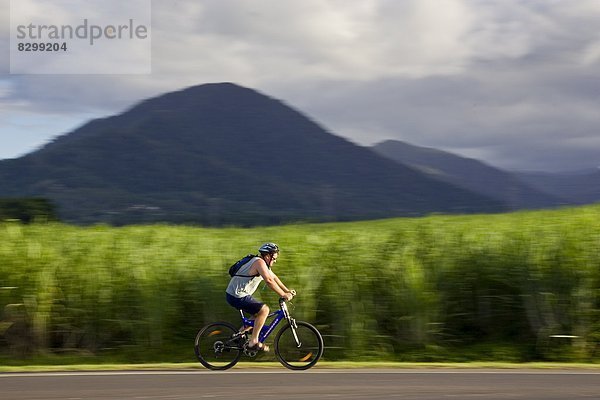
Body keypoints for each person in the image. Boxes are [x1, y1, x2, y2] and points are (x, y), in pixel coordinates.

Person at [225, 242, 295, 351]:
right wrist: (283, 294)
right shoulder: (259, 263)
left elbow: (274, 277)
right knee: (264, 310)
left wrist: (287, 290)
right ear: (267, 256)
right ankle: (253, 342)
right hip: (237, 295)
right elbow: (269, 281)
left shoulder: (263, 264)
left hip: (236, 294)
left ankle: (239, 336)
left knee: (259, 315)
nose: (275, 261)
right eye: (274, 258)